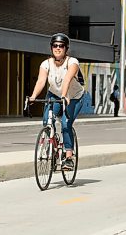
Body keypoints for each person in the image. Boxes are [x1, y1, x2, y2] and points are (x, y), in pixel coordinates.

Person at [29, 33, 84, 171]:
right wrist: (33, 96)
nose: (58, 48)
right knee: (46, 121)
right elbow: (41, 81)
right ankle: (51, 148)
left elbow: (67, 79)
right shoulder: (46, 64)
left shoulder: (72, 62)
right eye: (55, 45)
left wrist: (64, 95)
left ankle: (69, 157)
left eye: (61, 46)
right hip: (54, 94)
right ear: (51, 48)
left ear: (66, 48)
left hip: (74, 97)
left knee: (66, 124)